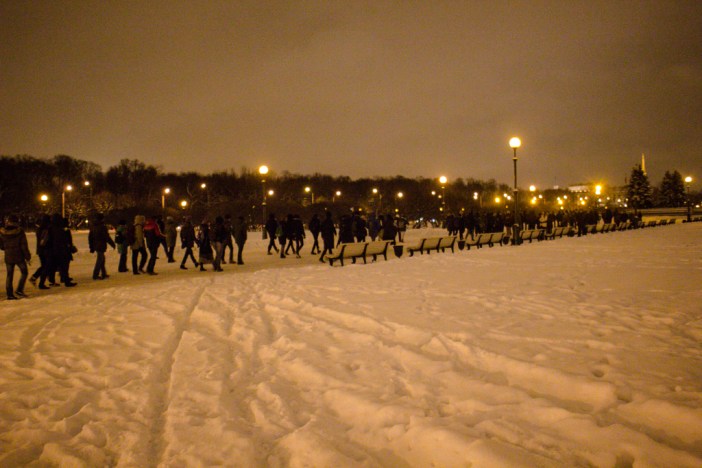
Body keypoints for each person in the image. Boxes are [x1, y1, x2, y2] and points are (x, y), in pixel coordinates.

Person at [0, 215, 32, 300]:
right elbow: (24, 246)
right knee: (24, 272)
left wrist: (7, 248)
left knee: (9, 275)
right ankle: (19, 289)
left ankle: (9, 294)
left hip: (8, 256)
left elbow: (1, 246)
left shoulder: (3, 232)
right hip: (19, 256)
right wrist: (27, 256)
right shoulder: (20, 231)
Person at [88, 213, 116, 280]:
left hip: (96, 244)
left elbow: (90, 237)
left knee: (102, 259)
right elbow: (106, 237)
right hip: (101, 244)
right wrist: (112, 244)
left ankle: (103, 273)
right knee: (100, 259)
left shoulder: (93, 226)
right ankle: (95, 275)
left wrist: (91, 246)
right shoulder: (102, 227)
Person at [29, 214, 51, 285]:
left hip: (40, 250)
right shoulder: (46, 229)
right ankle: (37, 279)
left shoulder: (39, 229)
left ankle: (35, 277)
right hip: (46, 250)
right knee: (45, 266)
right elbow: (47, 240)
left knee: (44, 265)